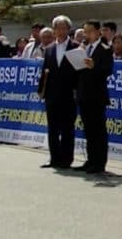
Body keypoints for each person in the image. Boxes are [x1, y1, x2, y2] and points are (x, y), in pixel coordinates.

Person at [75, 20, 114, 174]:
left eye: (90, 31)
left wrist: (95, 66)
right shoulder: (84, 47)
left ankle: (99, 163)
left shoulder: (105, 48)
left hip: (97, 95)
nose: (87, 34)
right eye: (85, 31)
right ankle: (90, 160)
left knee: (98, 130)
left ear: (98, 32)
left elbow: (108, 70)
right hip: (84, 93)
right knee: (89, 129)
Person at [40, 16, 78, 168]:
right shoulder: (49, 49)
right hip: (52, 95)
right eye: (58, 28)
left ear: (69, 30)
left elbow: (80, 72)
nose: (61, 31)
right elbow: (45, 71)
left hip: (69, 94)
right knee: (53, 128)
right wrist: (42, 90)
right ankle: (54, 158)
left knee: (67, 128)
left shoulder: (76, 46)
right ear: (54, 30)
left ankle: (66, 159)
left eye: (64, 28)